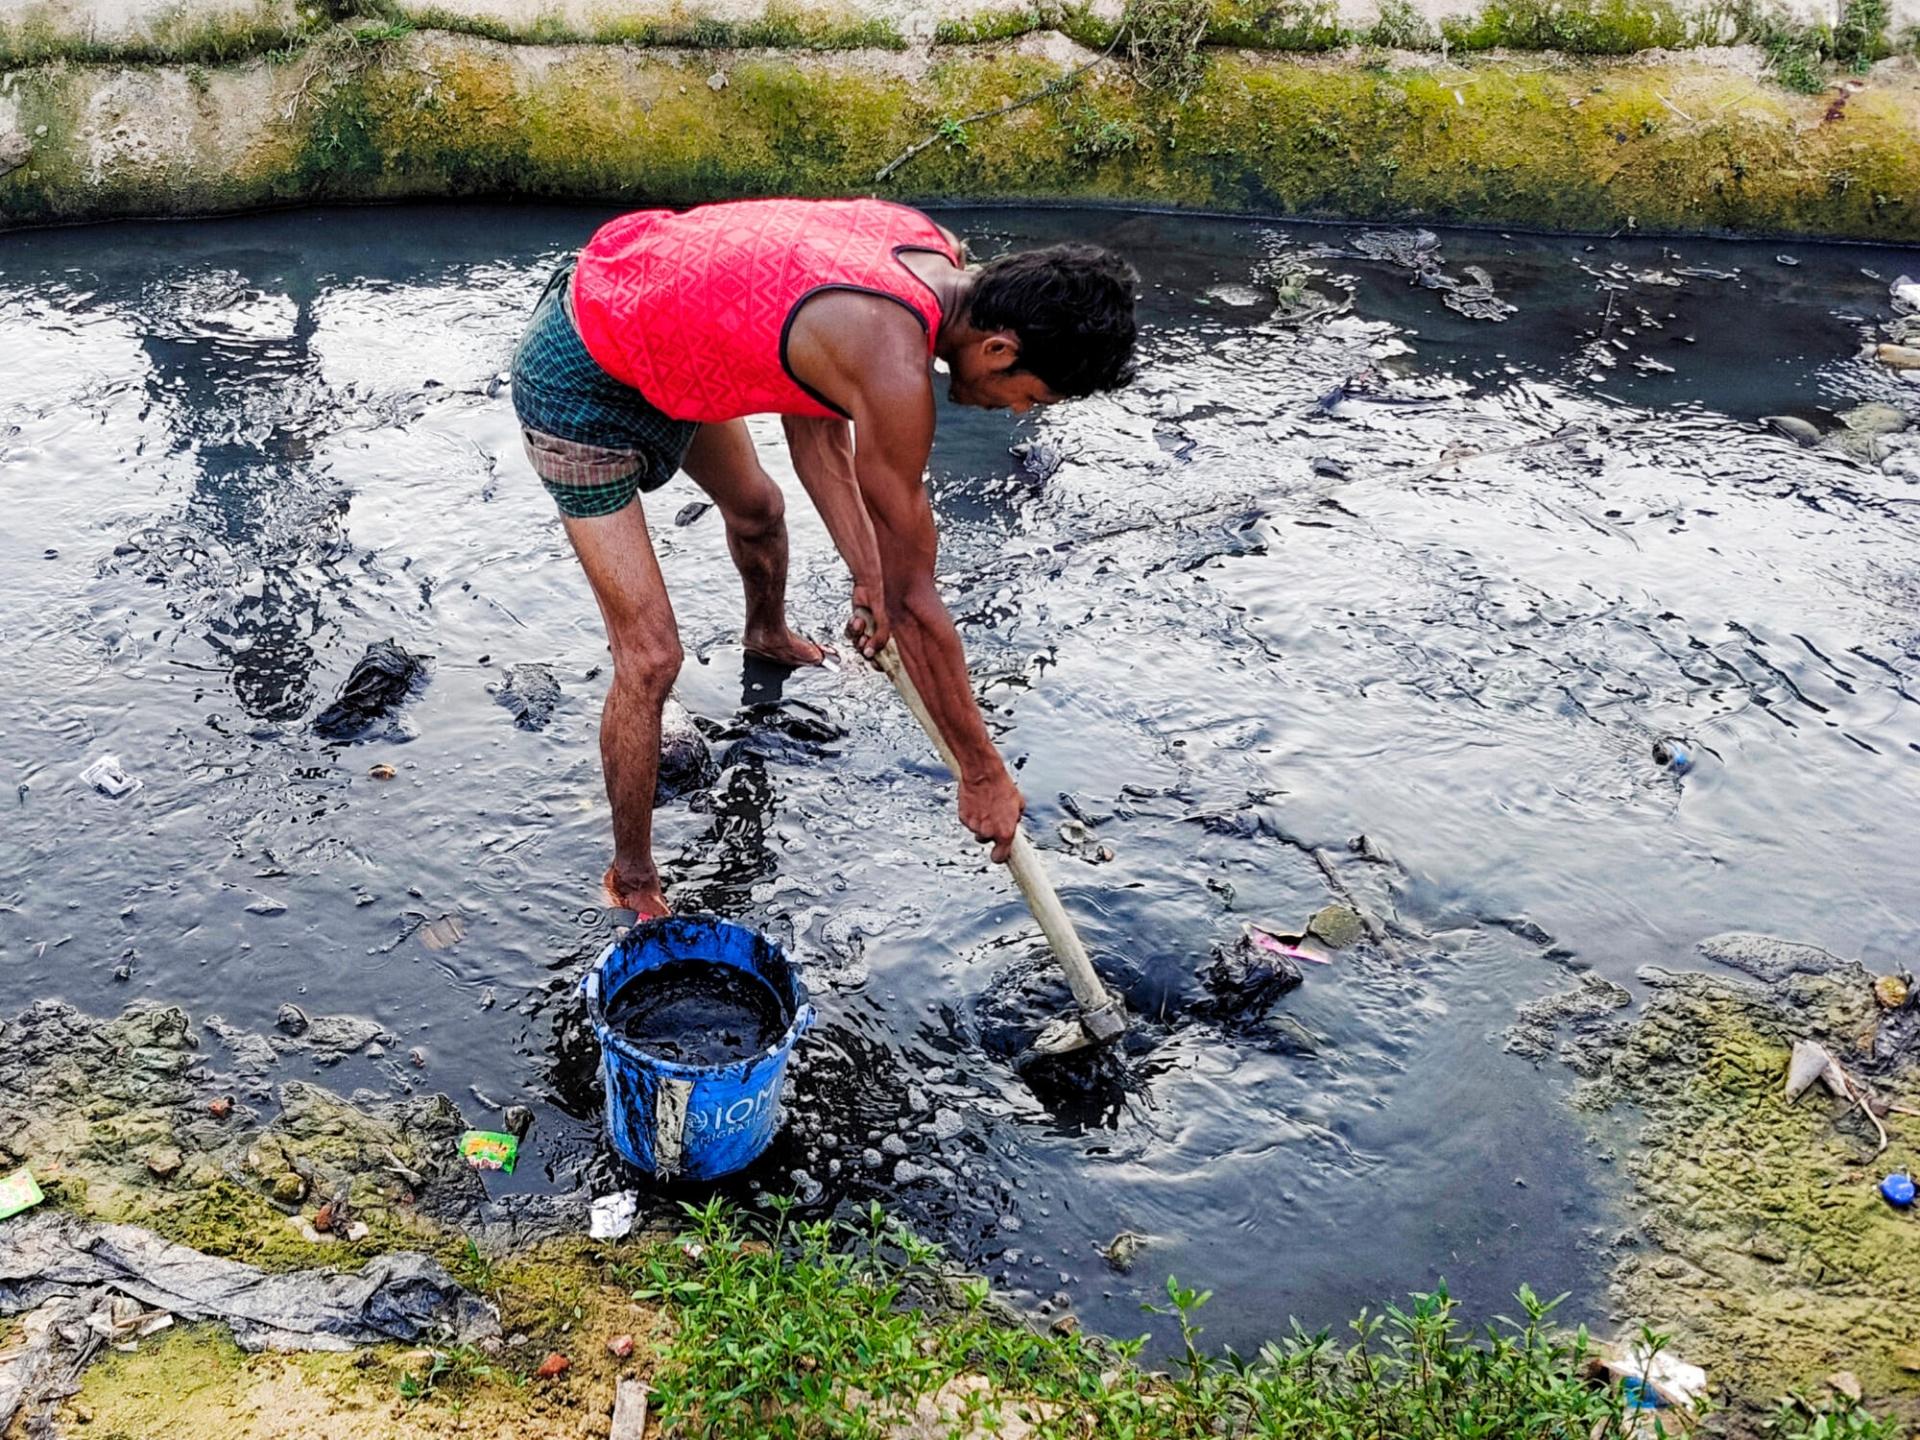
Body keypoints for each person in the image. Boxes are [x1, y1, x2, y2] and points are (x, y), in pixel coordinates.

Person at [509, 197, 1138, 918]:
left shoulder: (924, 247)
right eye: (1033, 395)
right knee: (650, 658)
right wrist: (982, 774)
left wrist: (866, 574)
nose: (1023, 411)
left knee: (759, 512)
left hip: (663, 337)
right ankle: (633, 877)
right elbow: (915, 605)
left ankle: (766, 634)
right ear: (999, 348)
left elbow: (815, 428)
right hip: (583, 373)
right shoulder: (891, 361)